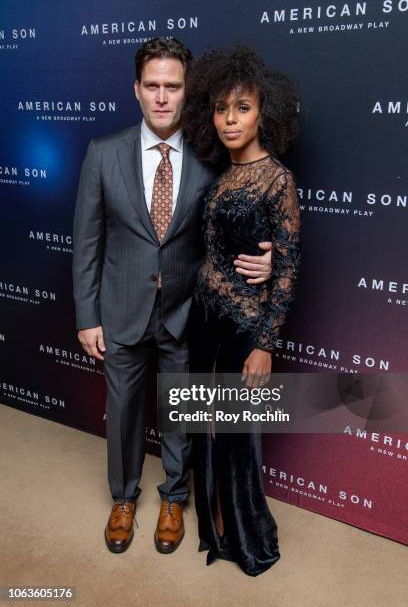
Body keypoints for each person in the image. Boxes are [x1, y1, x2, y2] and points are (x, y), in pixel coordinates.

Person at [72, 38, 274, 555]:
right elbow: (88, 242)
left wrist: (269, 256)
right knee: (122, 413)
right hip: (119, 311)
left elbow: (236, 223)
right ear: (137, 90)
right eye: (153, 86)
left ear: (188, 93)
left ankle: (173, 496)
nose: (163, 97)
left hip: (188, 314)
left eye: (174, 87)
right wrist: (87, 316)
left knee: (181, 412)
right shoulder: (103, 153)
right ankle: (123, 498)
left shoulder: (212, 157)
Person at [182, 45, 301, 575]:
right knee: (205, 424)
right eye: (221, 108)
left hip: (244, 325)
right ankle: (215, 524)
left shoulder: (278, 181)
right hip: (204, 318)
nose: (230, 119)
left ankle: (246, 536)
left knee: (236, 434)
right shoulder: (223, 175)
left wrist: (264, 344)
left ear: (264, 113)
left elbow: (291, 265)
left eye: (243, 107)